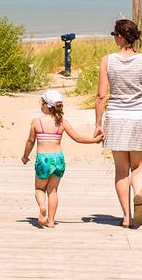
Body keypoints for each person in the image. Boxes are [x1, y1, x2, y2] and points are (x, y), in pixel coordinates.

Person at [94, 19, 142, 228]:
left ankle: (126, 217)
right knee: (139, 165)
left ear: (120, 37)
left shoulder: (107, 61)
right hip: (138, 118)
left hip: (116, 118)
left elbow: (101, 95)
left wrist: (98, 123)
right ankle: (139, 194)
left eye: (114, 34)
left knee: (120, 170)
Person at [22, 89, 103, 228]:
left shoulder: (36, 122)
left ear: (46, 106)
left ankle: (42, 208)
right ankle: (51, 221)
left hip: (43, 160)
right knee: (52, 190)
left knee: (39, 189)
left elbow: (30, 141)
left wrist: (25, 156)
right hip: (59, 159)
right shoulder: (62, 123)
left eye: (41, 103)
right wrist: (94, 140)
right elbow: (78, 138)